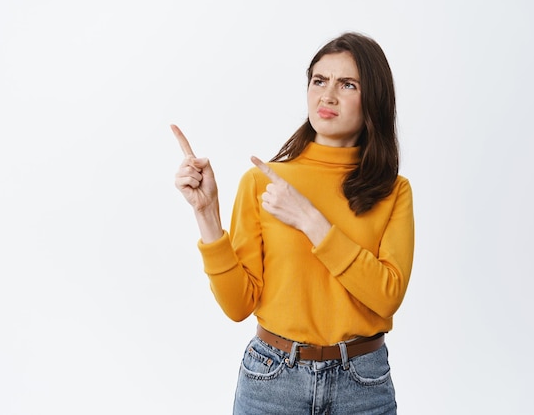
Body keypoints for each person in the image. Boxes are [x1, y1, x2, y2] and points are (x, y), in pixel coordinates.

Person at [172, 31, 414, 415]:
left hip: (363, 384)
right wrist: (206, 213)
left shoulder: (393, 190)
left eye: (347, 84)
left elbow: (388, 295)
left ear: (374, 100)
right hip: (272, 380)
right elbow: (238, 305)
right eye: (319, 80)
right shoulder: (263, 182)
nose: (327, 96)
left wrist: (310, 220)